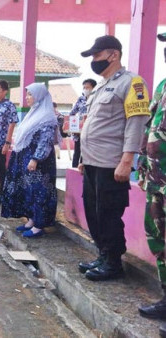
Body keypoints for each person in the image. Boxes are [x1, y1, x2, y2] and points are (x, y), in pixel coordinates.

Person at [77, 35, 150, 281]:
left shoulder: (132, 83)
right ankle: (102, 254)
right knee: (93, 211)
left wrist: (127, 161)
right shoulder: (100, 86)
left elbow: (135, 123)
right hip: (92, 162)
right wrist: (83, 157)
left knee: (108, 213)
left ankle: (113, 263)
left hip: (112, 163)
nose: (94, 61)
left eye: (97, 56)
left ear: (114, 55)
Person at [137, 32, 166, 335]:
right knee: (159, 240)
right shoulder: (162, 86)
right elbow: (151, 128)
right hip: (157, 182)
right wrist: (144, 171)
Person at [1, 83, 58, 238]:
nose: (27, 98)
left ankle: (39, 225)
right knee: (29, 191)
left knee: (40, 192)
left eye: (30, 95)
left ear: (39, 96)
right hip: (26, 159)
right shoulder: (33, 113)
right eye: (27, 94)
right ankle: (32, 220)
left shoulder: (47, 116)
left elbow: (45, 141)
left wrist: (35, 159)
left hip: (39, 164)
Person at [70, 79, 97, 168]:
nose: (85, 89)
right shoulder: (81, 99)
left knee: (86, 153)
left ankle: (83, 171)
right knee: (77, 151)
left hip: (92, 132)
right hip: (79, 132)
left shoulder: (97, 98)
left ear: (93, 88)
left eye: (87, 87)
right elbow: (72, 112)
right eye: (84, 87)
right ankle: (74, 170)